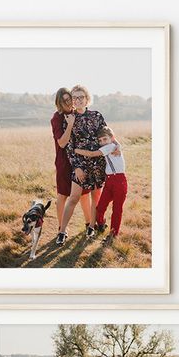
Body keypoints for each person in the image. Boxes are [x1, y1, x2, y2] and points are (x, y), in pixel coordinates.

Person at [56, 85, 109, 245]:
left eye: (81, 97)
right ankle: (62, 231)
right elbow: (69, 147)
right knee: (73, 198)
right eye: (75, 98)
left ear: (87, 99)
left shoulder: (96, 115)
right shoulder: (70, 119)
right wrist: (76, 167)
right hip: (80, 164)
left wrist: (116, 146)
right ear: (72, 100)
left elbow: (107, 134)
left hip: (98, 163)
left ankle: (91, 226)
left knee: (96, 197)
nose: (78, 100)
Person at [50, 87, 92, 230]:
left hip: (79, 161)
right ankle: (62, 227)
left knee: (84, 194)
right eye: (64, 101)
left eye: (70, 99)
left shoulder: (77, 112)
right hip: (63, 162)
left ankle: (88, 223)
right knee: (62, 195)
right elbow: (61, 143)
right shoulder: (57, 118)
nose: (68, 103)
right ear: (59, 103)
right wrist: (69, 125)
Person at [75, 127, 127, 240]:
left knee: (117, 209)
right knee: (100, 207)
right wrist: (118, 144)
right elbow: (115, 141)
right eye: (100, 140)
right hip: (109, 181)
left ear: (111, 138)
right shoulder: (112, 145)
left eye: (105, 139)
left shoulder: (111, 146)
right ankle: (101, 223)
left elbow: (92, 154)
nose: (102, 142)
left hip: (119, 181)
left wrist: (76, 150)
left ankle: (113, 234)